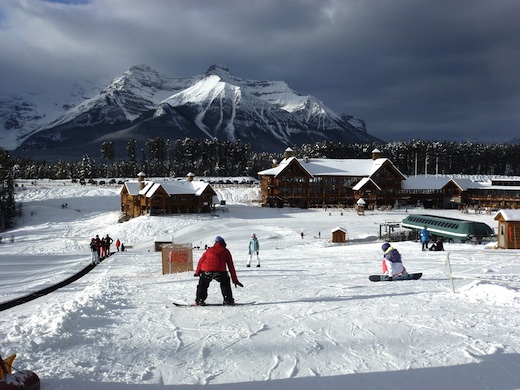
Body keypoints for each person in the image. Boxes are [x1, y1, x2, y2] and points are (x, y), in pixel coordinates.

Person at [194, 236, 243, 306]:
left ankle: (199, 300)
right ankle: (228, 300)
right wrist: (234, 280)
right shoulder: (226, 251)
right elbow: (231, 266)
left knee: (203, 284)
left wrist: (197, 272)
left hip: (206, 271)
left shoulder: (209, 250)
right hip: (220, 272)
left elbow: (201, 261)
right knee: (225, 282)